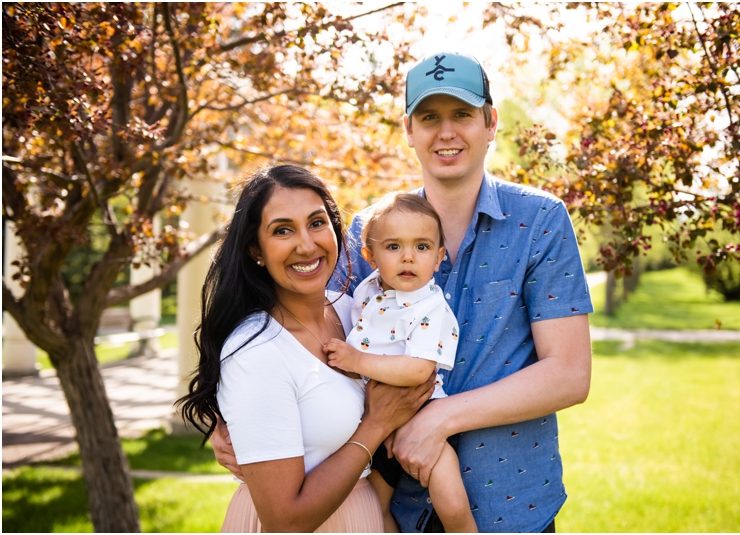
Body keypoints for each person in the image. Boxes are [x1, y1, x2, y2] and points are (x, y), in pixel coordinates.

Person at [212, 51, 593, 532]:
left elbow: (569, 374)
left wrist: (439, 418)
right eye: (429, 117)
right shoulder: (365, 230)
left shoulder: (538, 221)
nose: (446, 132)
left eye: (462, 115)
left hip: (511, 501)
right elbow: (310, 337)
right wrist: (236, 421)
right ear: (409, 131)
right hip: (391, 504)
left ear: (490, 122)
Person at [178, 165, 434, 532]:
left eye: (317, 223)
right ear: (256, 250)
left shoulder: (354, 312)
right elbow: (285, 520)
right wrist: (375, 425)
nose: (306, 244)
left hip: (364, 514)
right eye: (283, 230)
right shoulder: (256, 350)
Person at [322, 193, 477, 533]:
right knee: (373, 510)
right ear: (370, 255)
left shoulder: (430, 308)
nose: (408, 257)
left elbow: (419, 370)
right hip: (372, 421)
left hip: (420, 416)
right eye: (393, 247)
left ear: (438, 258)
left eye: (421, 247)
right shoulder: (366, 290)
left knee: (451, 503)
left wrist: (356, 360)